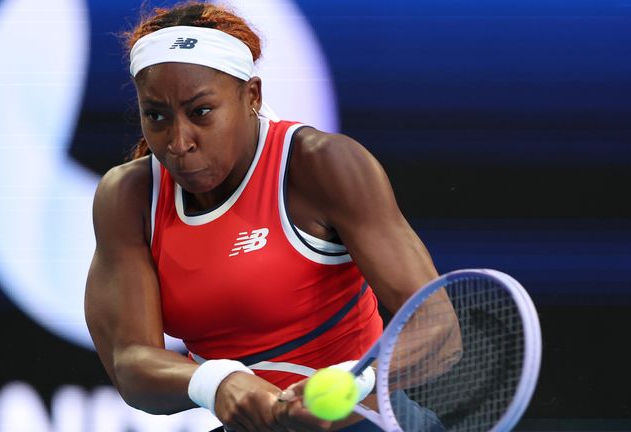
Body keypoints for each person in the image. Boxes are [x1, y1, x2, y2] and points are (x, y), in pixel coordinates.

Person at [85, 2, 451, 431]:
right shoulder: (127, 197)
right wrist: (217, 382)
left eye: (200, 111)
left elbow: (439, 327)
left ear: (251, 95)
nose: (179, 141)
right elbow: (131, 364)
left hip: (365, 420)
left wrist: (351, 385)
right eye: (157, 116)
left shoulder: (321, 164)